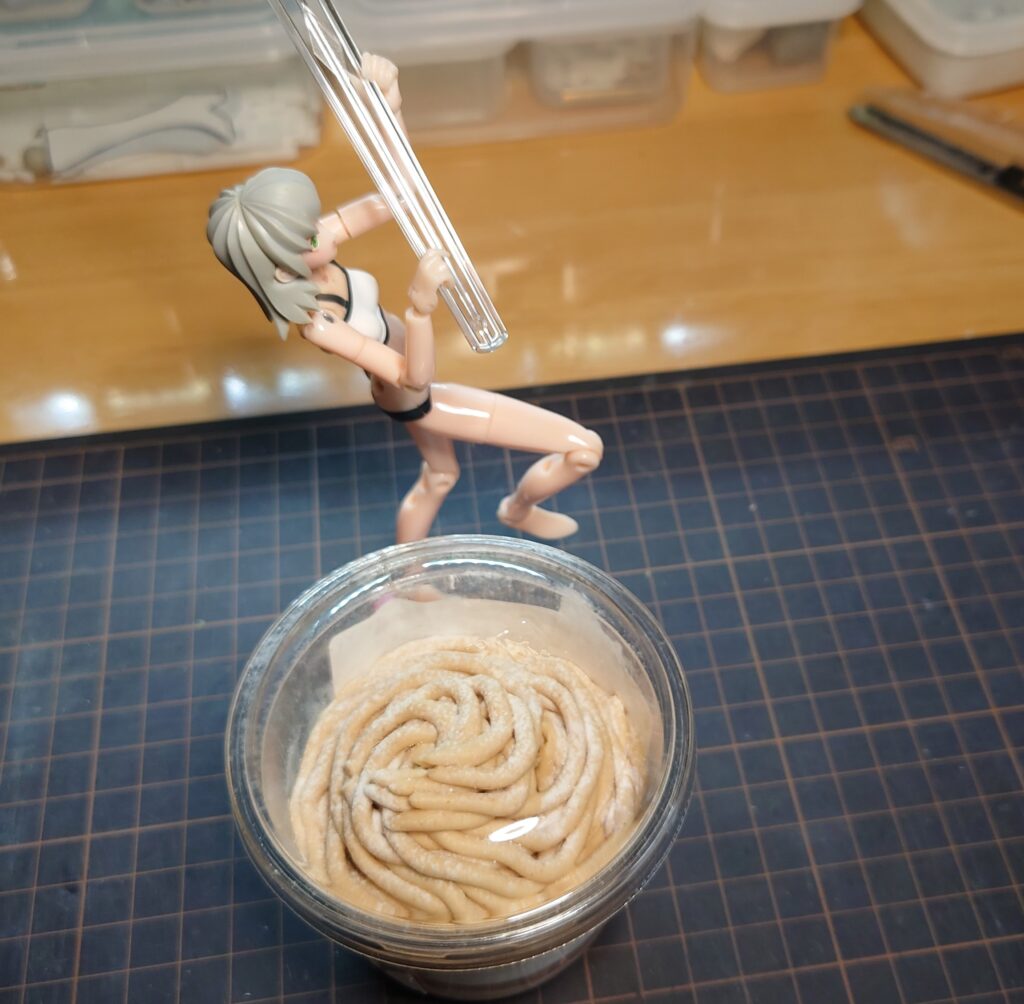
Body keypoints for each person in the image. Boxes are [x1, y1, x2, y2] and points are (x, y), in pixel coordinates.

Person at [208, 55, 602, 543]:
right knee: (584, 448)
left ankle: (410, 571)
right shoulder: (320, 323)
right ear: (280, 266)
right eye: (307, 235)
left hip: (414, 381)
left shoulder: (317, 247)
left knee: (441, 475)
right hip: (418, 399)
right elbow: (413, 378)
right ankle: (518, 510)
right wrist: (420, 309)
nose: (323, 229)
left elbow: (402, 192)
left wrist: (390, 105)